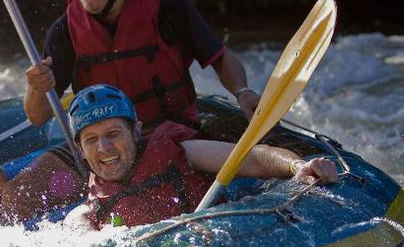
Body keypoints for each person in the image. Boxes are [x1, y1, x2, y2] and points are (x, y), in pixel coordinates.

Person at [6, 0, 261, 220]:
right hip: (102, 145)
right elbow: (37, 116)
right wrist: (37, 87)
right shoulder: (64, 31)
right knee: (18, 196)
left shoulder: (167, 5)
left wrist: (241, 91)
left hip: (169, 131)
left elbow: (219, 57)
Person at [64, 85, 337, 230]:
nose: (104, 147)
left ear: (136, 131)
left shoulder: (181, 152)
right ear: (80, 150)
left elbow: (252, 157)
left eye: (113, 133)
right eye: (91, 139)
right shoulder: (88, 211)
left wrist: (297, 166)